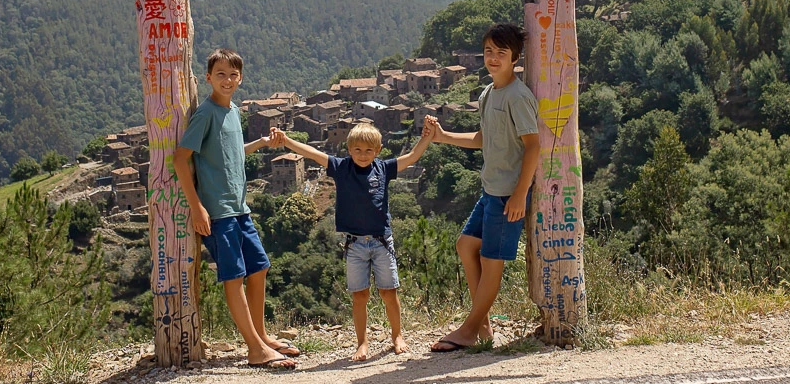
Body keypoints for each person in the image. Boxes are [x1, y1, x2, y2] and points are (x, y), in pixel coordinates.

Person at [174, 49, 298, 370]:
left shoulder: (232, 112)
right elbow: (180, 158)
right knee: (235, 277)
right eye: (220, 74)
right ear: (208, 78)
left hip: (239, 209)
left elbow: (230, 151)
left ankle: (262, 336)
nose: (227, 80)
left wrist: (260, 144)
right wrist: (197, 207)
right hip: (218, 212)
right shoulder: (205, 114)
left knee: (259, 268)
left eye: (233, 75)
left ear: (240, 78)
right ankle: (255, 348)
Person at [271, 122, 434, 361]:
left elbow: (412, 156)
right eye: (357, 150)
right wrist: (286, 141)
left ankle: (397, 336)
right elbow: (311, 153)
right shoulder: (340, 167)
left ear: (378, 150)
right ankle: (362, 343)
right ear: (349, 149)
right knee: (360, 296)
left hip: (381, 242)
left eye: (369, 150)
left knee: (389, 293)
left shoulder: (384, 168)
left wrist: (426, 137)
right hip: (355, 245)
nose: (363, 155)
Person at [428, 23, 540, 352]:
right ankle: (483, 326)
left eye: (500, 53)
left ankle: (469, 329)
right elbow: (482, 139)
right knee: (466, 246)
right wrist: (444, 136)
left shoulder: (518, 97)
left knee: (492, 261)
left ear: (515, 58)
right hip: (491, 190)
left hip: (508, 195)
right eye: (488, 51)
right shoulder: (489, 93)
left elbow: (533, 146)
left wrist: (521, 193)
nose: (492, 58)